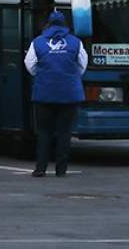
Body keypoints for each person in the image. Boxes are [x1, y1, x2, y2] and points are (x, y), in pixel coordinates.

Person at [24, 11, 87, 177]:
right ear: (65, 25)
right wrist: (70, 76)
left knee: (44, 132)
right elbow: (82, 65)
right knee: (64, 133)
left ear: (48, 24)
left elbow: (29, 64)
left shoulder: (37, 42)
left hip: (44, 93)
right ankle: (61, 169)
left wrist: (44, 73)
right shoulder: (76, 42)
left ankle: (40, 168)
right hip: (69, 95)